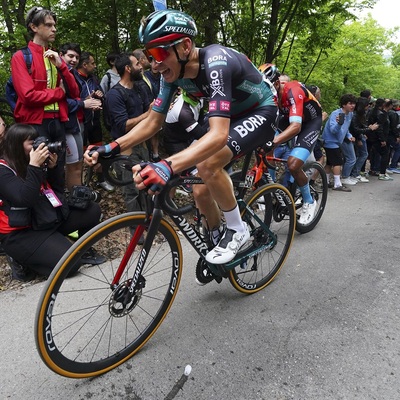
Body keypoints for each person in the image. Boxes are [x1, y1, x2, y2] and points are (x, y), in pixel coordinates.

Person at [85, 9, 278, 268]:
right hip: (231, 115)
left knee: (208, 164)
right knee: (199, 189)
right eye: (149, 55)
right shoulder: (171, 75)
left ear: (185, 46)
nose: (153, 65)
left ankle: (236, 228)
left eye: (158, 54)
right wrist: (112, 146)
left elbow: (219, 135)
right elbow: (153, 122)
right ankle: (216, 236)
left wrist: (167, 165)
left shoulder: (216, 63)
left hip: (261, 110)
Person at [0, 124, 103, 281]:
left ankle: (81, 250)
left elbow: (56, 191)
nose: (39, 147)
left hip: (44, 219)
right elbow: (25, 199)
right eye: (32, 143)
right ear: (16, 145)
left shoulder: (31, 161)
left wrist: (53, 168)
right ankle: (24, 261)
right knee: (71, 265)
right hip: (21, 234)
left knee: (92, 210)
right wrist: (34, 166)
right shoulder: (4, 170)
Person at [11, 6, 80, 190]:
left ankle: (61, 214)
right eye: (48, 25)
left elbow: (74, 92)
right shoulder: (20, 57)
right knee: (36, 174)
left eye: (54, 25)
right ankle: (41, 217)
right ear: (34, 27)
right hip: (35, 125)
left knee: (58, 174)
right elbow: (28, 96)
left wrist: (62, 66)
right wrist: (59, 93)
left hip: (59, 122)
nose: (54, 29)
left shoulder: (55, 56)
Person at [260, 64, 323, 224]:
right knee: (263, 148)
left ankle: (309, 201)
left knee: (293, 165)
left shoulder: (292, 90)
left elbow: (296, 127)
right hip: (287, 118)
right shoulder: (268, 93)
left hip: (309, 123)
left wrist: (273, 141)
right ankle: (272, 188)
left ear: (276, 84)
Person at [105, 52, 152, 213]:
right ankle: (136, 232)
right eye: (137, 64)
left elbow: (150, 113)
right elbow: (122, 126)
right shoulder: (114, 95)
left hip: (143, 146)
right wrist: (147, 115)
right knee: (131, 190)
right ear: (128, 68)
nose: (141, 67)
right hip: (126, 150)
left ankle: (149, 222)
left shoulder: (140, 89)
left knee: (147, 185)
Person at [59, 42, 102, 190]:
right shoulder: (58, 73)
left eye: (76, 57)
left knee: (77, 165)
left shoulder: (71, 74)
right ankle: (74, 199)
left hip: (80, 122)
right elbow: (61, 102)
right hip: (67, 124)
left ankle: (77, 196)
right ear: (61, 56)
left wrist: (87, 100)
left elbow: (74, 98)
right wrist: (84, 104)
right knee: (71, 166)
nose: (73, 60)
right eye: (70, 56)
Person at [73, 51, 115, 191]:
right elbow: (71, 101)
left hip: (94, 122)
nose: (95, 66)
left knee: (98, 151)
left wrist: (99, 97)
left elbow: (101, 97)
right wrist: (86, 101)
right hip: (81, 122)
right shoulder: (73, 78)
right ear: (84, 65)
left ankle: (101, 180)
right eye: (92, 63)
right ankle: (82, 184)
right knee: (82, 156)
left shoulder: (93, 79)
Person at [322, 94, 357, 192]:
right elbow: (333, 130)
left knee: (329, 163)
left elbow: (346, 129)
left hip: (337, 142)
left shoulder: (350, 114)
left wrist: (349, 136)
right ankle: (337, 184)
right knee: (338, 162)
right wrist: (339, 124)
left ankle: (326, 182)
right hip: (330, 141)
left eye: (354, 103)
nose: (352, 106)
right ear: (344, 104)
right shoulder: (336, 114)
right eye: (350, 103)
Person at [349, 97, 379, 182]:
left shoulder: (360, 114)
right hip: (356, 137)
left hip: (360, 136)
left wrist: (366, 129)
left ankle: (355, 173)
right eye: (367, 105)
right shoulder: (355, 115)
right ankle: (354, 173)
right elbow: (355, 129)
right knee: (362, 154)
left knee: (361, 154)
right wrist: (369, 129)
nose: (369, 107)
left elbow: (361, 126)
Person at [367, 98, 392, 181]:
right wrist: (382, 139)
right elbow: (379, 127)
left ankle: (370, 170)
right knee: (385, 153)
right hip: (377, 137)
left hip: (371, 136)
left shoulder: (372, 111)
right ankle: (382, 173)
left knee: (370, 153)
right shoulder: (381, 114)